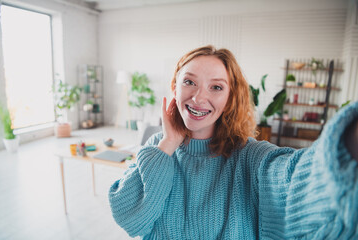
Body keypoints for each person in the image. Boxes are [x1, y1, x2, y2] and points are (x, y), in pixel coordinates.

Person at [109, 45, 358, 239]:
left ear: (229, 99)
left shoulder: (250, 156)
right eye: (189, 82)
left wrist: (349, 142)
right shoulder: (157, 147)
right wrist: (168, 144)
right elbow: (129, 218)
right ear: (175, 87)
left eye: (216, 87)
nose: (198, 97)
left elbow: (295, 180)